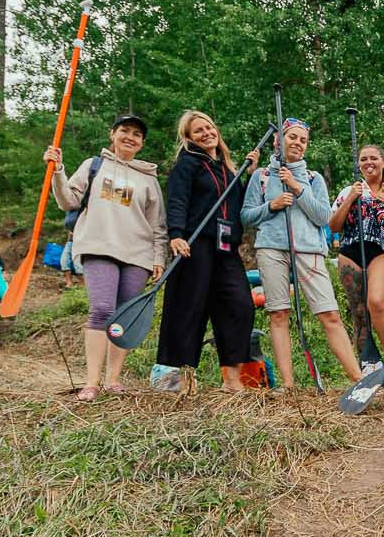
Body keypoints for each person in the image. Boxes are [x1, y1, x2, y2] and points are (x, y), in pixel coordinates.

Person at [46, 112, 166, 401]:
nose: (130, 137)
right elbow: (68, 201)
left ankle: (113, 380)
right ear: (112, 134)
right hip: (99, 246)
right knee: (101, 309)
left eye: (137, 134)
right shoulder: (93, 165)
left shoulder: (148, 178)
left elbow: (158, 224)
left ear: (142, 143)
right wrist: (58, 170)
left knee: (124, 316)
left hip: (138, 254)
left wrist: (159, 258)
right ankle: (91, 383)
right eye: (125, 130)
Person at [241, 118, 363, 389]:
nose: (297, 143)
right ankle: (288, 386)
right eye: (292, 137)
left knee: (329, 313)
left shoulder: (312, 178)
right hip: (271, 248)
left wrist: (297, 188)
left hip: (309, 250)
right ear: (278, 141)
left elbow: (323, 217)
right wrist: (271, 206)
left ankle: (358, 379)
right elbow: (246, 216)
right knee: (278, 314)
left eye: (303, 140)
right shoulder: (261, 176)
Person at [159, 111, 260, 394]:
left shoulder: (228, 169)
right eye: (198, 131)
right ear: (189, 138)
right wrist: (176, 234)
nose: (206, 133)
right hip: (195, 245)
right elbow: (177, 200)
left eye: (209, 127)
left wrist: (249, 175)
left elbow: (238, 206)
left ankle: (232, 379)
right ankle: (183, 380)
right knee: (190, 309)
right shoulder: (187, 164)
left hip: (226, 248)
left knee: (239, 305)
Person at [330, 141, 384, 367]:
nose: (368, 162)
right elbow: (334, 226)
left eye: (373, 158)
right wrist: (350, 199)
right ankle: (367, 364)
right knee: (359, 312)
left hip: (381, 251)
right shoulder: (349, 191)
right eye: (363, 159)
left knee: (377, 301)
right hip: (350, 251)